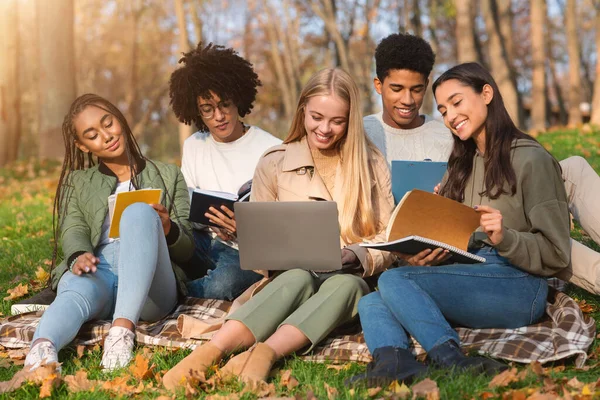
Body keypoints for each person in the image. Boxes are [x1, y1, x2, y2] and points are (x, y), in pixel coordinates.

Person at [162, 68, 395, 389]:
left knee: (349, 287)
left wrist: (357, 255)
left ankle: (264, 354)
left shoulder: (371, 162)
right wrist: (264, 246)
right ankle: (209, 353)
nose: (325, 129)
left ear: (351, 120)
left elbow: (387, 239)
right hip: (287, 277)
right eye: (316, 117)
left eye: (337, 121)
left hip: (346, 276)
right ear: (303, 111)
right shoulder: (274, 161)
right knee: (297, 277)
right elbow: (258, 248)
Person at [350, 63, 571, 387]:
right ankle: (393, 362)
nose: (450, 115)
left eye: (456, 102)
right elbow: (461, 239)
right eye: (442, 109)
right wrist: (430, 239)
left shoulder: (530, 159)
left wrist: (505, 237)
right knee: (372, 298)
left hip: (520, 285)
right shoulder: (462, 163)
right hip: (471, 271)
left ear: (486, 93)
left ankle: (451, 359)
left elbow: (557, 254)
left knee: (395, 281)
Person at [366, 32, 600, 293]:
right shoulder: (364, 134)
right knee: (543, 236)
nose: (408, 100)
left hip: (485, 200)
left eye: (417, 89)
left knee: (572, 169)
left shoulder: (446, 129)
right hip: (455, 229)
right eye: (397, 89)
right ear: (378, 85)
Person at [23, 94, 195, 372]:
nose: (106, 136)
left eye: (108, 123)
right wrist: (78, 255)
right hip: (100, 270)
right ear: (83, 145)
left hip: (151, 286)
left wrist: (168, 228)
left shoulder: (168, 174)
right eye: (92, 135)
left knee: (138, 212)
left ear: (120, 118)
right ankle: (42, 349)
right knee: (75, 288)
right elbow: (73, 227)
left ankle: (121, 333)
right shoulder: (78, 182)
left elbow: (189, 250)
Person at [169, 42, 282, 301]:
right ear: (196, 111)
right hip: (202, 242)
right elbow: (187, 208)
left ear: (238, 100)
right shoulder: (194, 145)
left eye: (225, 104)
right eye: (207, 109)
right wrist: (210, 219)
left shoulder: (273, 148)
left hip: (245, 250)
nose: (218, 116)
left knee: (223, 285)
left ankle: (178, 291)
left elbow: (280, 224)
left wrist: (244, 228)